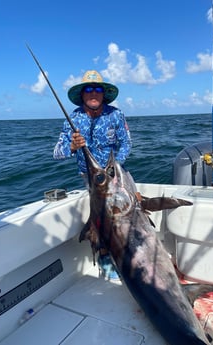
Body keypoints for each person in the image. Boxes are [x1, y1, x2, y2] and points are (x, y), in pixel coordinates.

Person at [53, 70, 132, 280]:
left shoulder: (116, 114)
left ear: (104, 93)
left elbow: (126, 143)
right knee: (99, 221)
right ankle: (104, 256)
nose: (93, 93)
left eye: (98, 89)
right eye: (89, 89)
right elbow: (57, 153)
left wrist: (116, 165)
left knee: (127, 215)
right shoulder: (74, 119)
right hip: (91, 180)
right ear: (82, 95)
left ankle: (130, 250)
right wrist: (71, 147)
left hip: (116, 175)